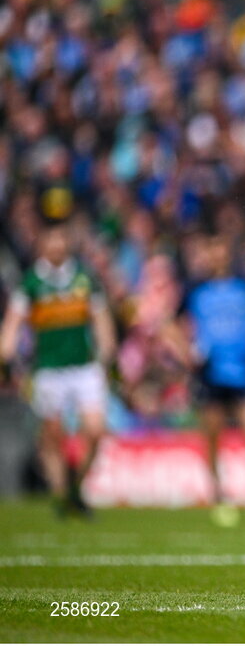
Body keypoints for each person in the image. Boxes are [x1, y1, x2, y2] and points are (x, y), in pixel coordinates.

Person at [163, 232, 245, 528]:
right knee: (212, 434)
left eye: (220, 248)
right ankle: (219, 496)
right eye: (210, 248)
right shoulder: (195, 288)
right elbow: (169, 324)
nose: (216, 255)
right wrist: (186, 353)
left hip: (243, 369)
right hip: (209, 371)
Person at [0, 222, 116, 518]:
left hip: (84, 366)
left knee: (96, 431)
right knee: (53, 434)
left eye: (61, 238)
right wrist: (6, 354)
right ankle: (63, 495)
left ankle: (76, 487)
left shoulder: (84, 276)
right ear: (41, 243)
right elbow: (13, 324)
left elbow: (101, 318)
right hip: (48, 370)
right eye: (51, 238)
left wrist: (107, 353)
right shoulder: (31, 283)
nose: (56, 245)